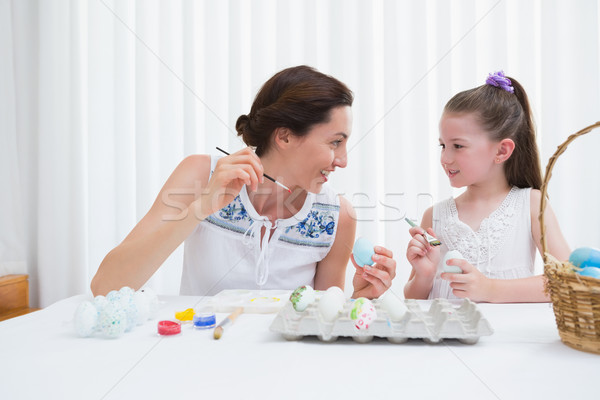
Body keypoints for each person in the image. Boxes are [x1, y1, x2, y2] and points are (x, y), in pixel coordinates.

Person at [91, 65, 395, 299]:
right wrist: (201, 206)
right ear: (285, 136)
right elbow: (106, 286)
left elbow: (319, 320)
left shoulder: (336, 216)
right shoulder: (201, 174)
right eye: (334, 143)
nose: (343, 160)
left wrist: (357, 299)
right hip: (197, 360)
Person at [404, 71, 570, 303]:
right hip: (447, 338)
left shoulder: (531, 204)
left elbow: (567, 282)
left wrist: (490, 288)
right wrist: (424, 275)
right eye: (442, 145)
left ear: (502, 151)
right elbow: (414, 300)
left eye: (458, 146)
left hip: (507, 339)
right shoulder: (434, 217)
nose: (445, 157)